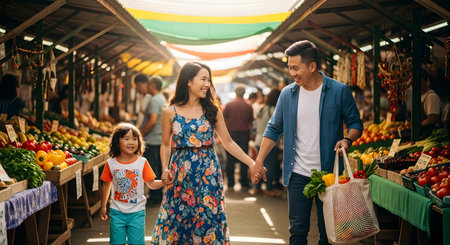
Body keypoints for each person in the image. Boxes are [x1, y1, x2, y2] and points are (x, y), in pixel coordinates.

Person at [253, 40, 363, 245]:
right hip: (297, 174)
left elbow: (355, 122)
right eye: (289, 68)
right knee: (297, 231)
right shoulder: (287, 94)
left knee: (328, 232)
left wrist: (348, 139)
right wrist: (258, 161)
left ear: (312, 66)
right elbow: (273, 128)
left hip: (329, 175)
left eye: (296, 68)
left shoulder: (339, 91)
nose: (292, 73)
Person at [151, 62, 256, 244]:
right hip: (180, 173)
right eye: (203, 79)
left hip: (208, 173)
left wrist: (252, 163)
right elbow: (166, 145)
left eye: (209, 80)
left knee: (207, 216)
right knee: (177, 218)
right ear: (188, 81)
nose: (207, 84)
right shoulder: (170, 111)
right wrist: (165, 169)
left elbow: (229, 143)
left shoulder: (213, 111)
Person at [100, 123, 165, 245]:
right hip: (116, 212)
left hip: (137, 213)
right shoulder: (111, 163)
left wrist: (163, 182)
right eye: (127, 139)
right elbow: (106, 184)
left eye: (135, 139)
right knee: (116, 242)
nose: (131, 142)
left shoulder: (142, 162)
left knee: (137, 243)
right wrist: (103, 206)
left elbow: (150, 184)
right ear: (117, 141)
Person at [141, 75, 166, 205]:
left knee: (153, 169)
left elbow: (152, 121)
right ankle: (158, 195)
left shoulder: (154, 100)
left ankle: (155, 197)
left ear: (151, 85)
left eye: (147, 85)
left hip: (152, 139)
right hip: (159, 138)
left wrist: (140, 134)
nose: (146, 87)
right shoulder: (161, 98)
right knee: (158, 167)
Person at [223, 84, 254, 189]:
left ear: (235, 92)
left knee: (230, 159)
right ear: (244, 93)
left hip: (231, 134)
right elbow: (251, 122)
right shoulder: (248, 106)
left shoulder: (228, 105)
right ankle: (244, 182)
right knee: (244, 158)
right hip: (244, 134)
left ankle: (231, 183)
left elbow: (224, 120)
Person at [252, 88, 281, 197]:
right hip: (269, 142)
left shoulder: (261, 108)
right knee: (269, 166)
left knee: (259, 163)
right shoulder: (274, 110)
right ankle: (269, 188)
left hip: (258, 140)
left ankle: (257, 187)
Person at [421, 71, 441, 138]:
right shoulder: (420, 97)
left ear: (427, 81)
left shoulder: (431, 96)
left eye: (420, 81)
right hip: (422, 134)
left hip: (431, 135)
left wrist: (419, 125)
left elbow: (433, 118)